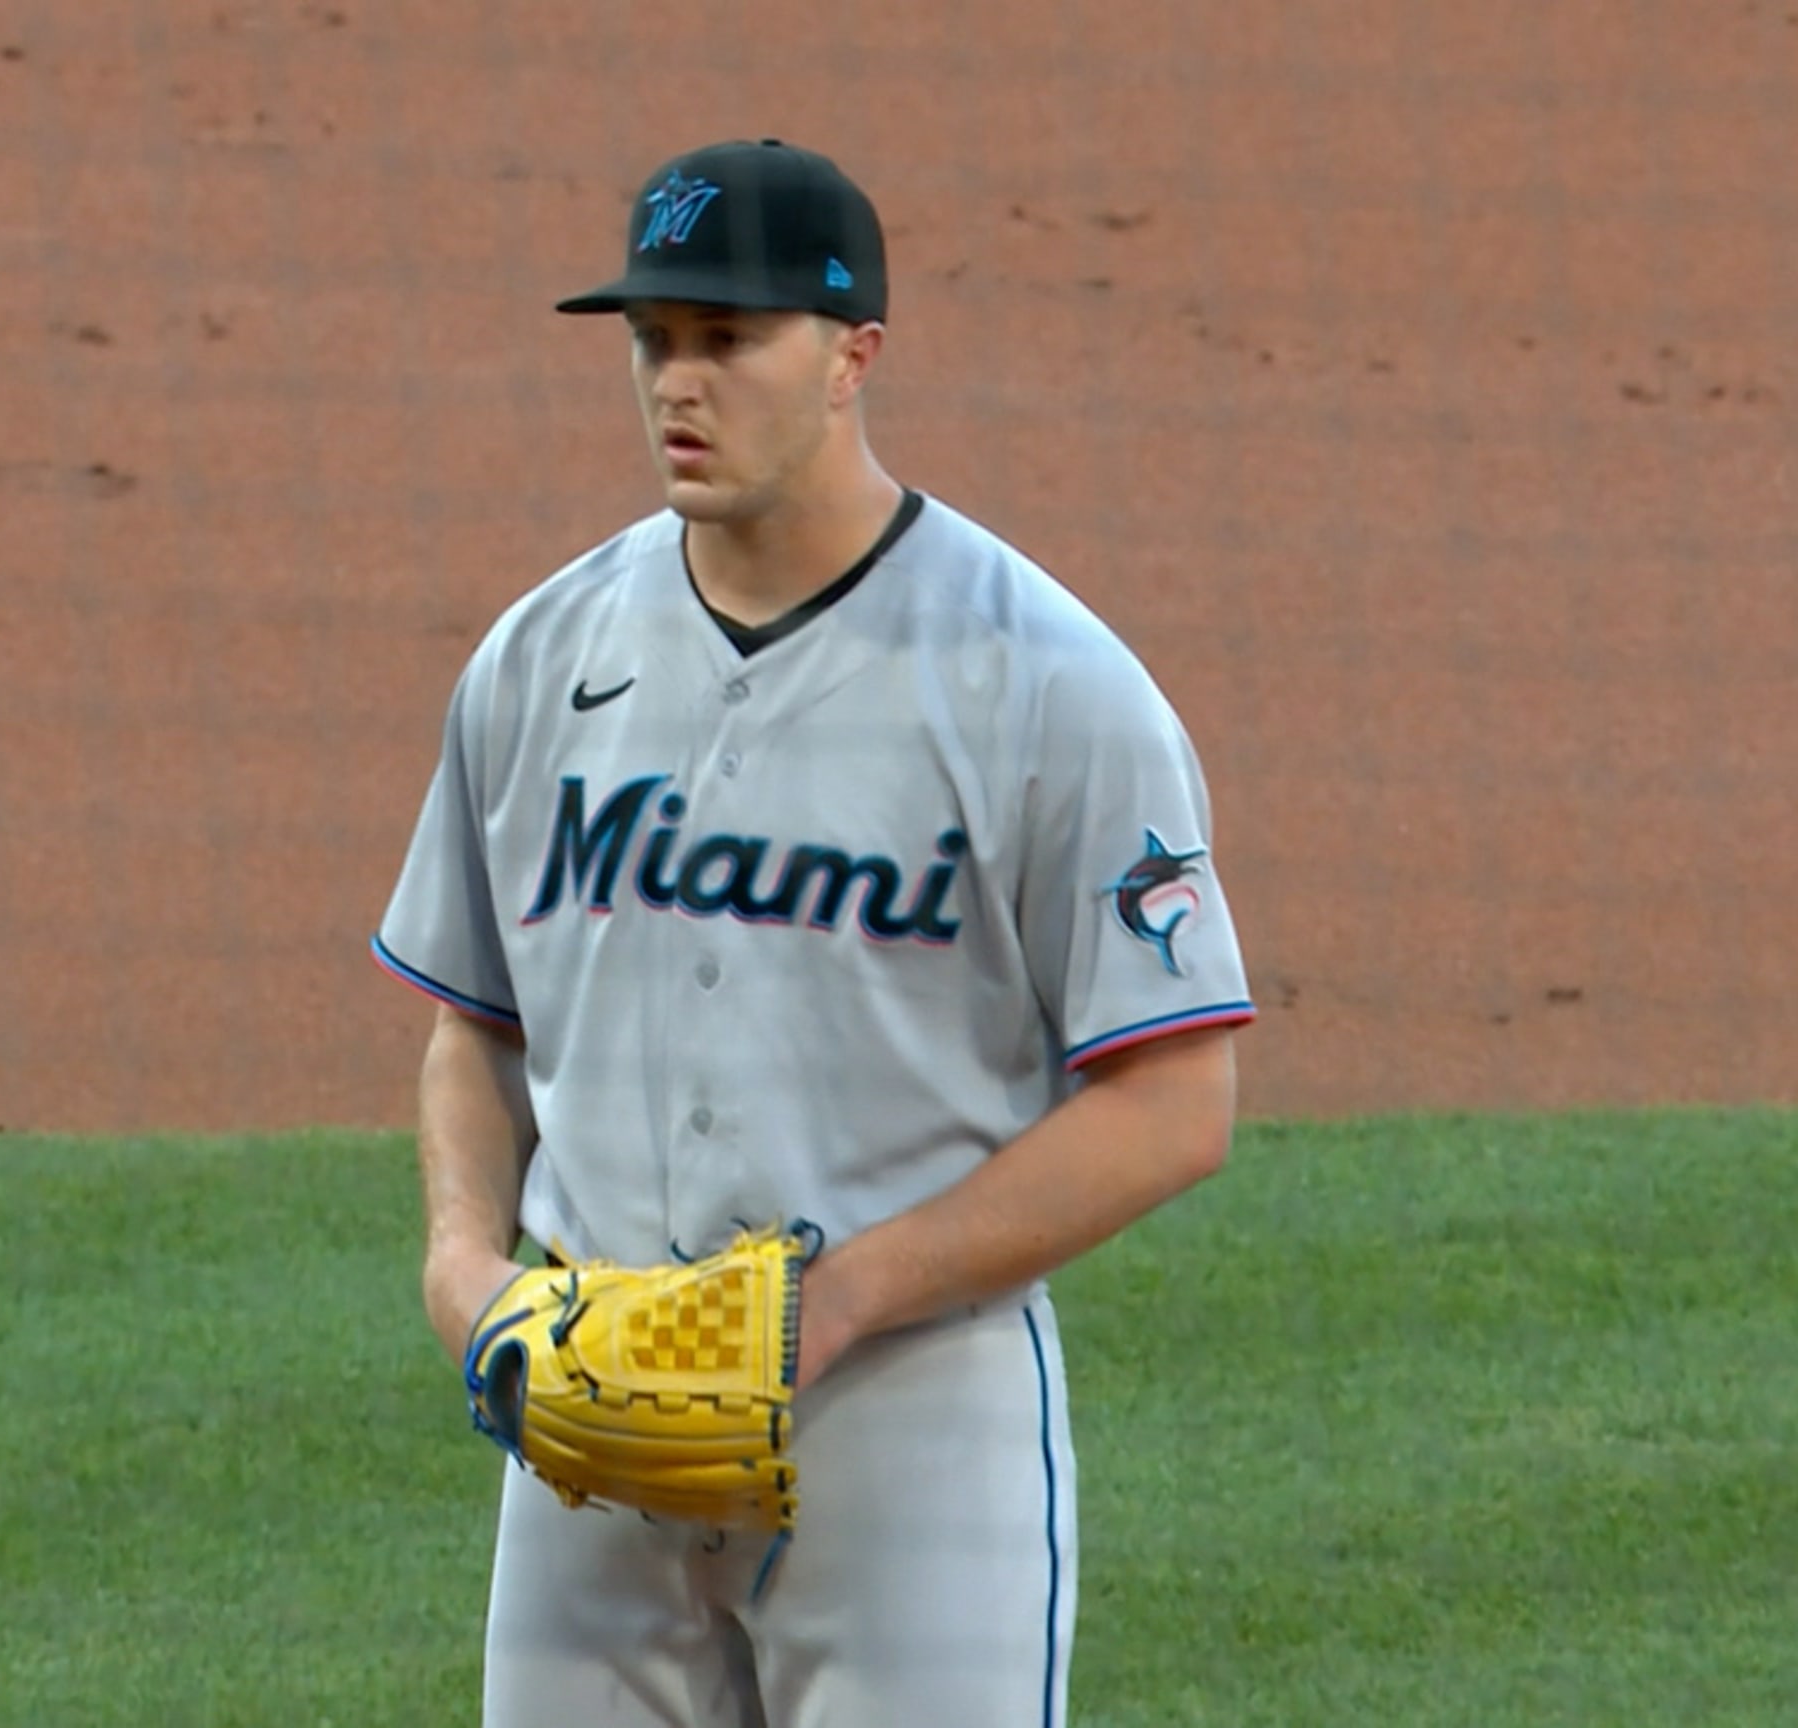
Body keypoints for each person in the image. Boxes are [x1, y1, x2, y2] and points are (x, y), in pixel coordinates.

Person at [371, 137, 1254, 1728]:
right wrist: (465, 1276)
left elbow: (1178, 1103)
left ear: (854, 356)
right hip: (586, 1431)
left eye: (729, 338)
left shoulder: (1043, 681)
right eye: (655, 340)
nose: (677, 384)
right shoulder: (538, 657)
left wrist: (836, 1299)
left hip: (910, 1426)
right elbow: (474, 1024)